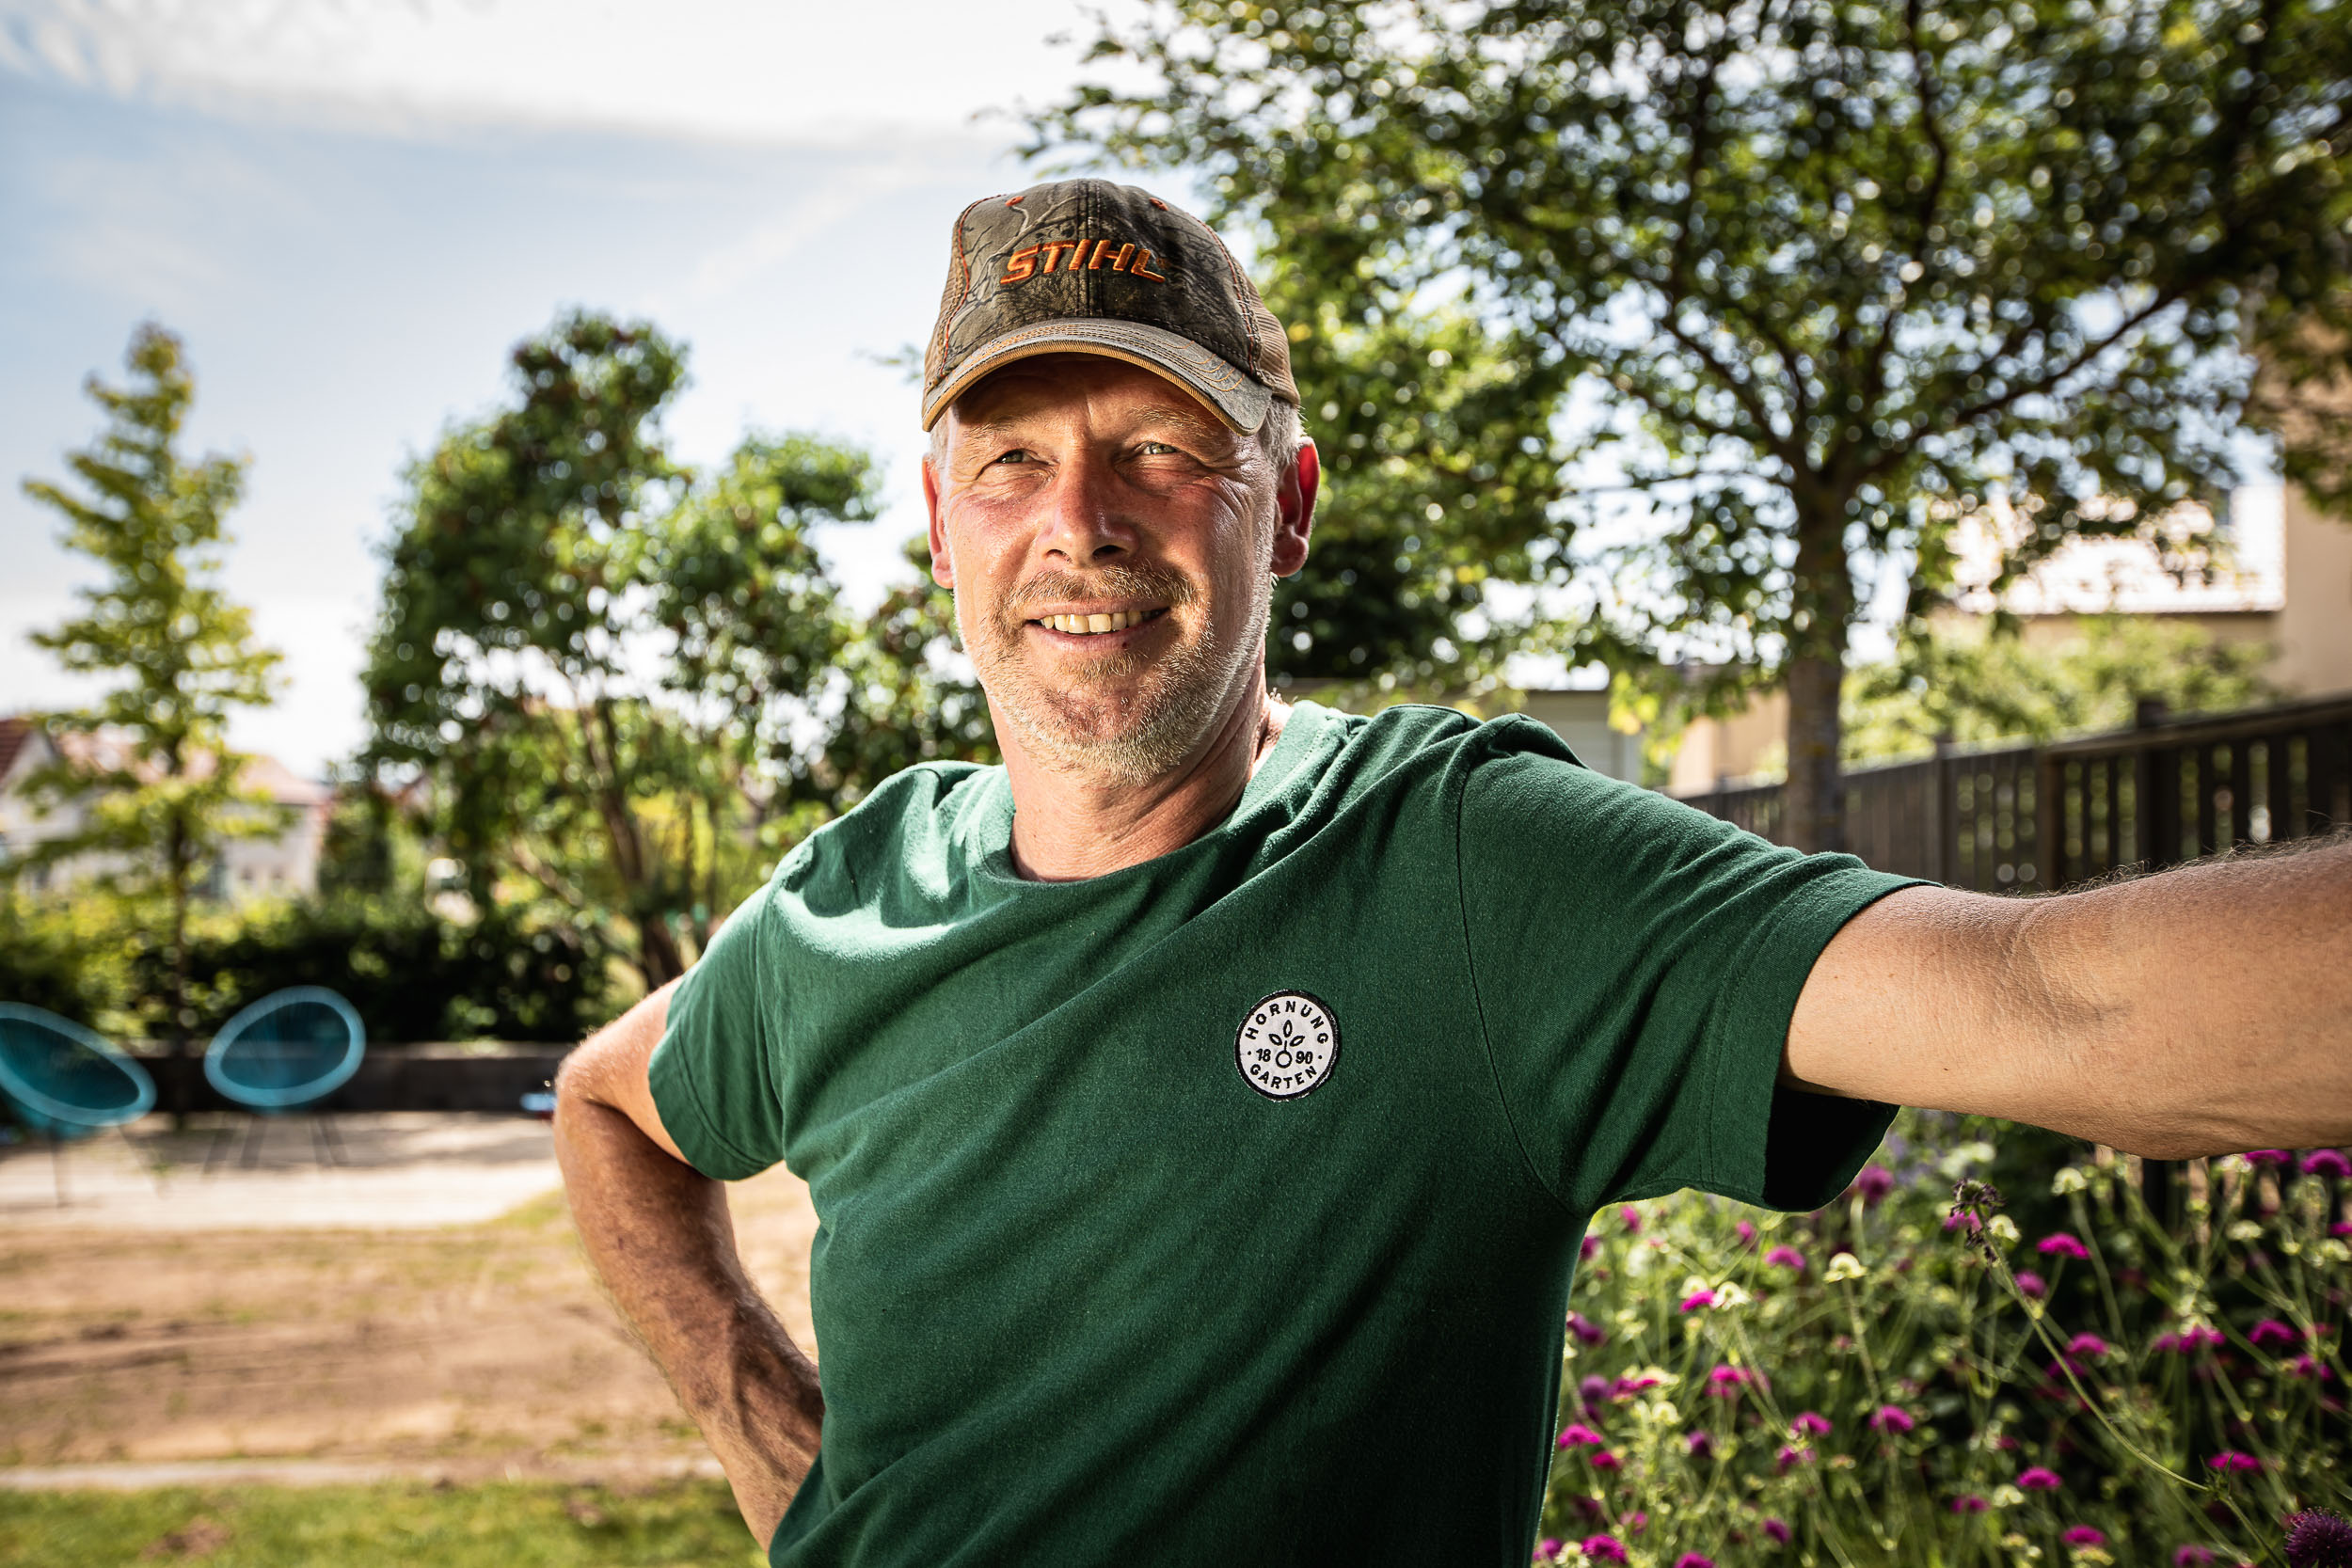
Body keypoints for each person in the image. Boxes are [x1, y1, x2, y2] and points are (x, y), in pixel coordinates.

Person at [552, 179, 2352, 1566]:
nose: (1077, 523)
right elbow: (607, 1104)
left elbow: (2057, 1001)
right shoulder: (852, 893)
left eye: (1161, 450)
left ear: (1287, 503)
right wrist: (762, 1429)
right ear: (941, 525)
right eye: (1012, 461)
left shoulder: (1464, 861)